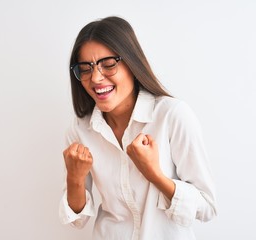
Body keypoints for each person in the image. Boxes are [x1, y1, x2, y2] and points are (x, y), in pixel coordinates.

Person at [59, 16, 217, 240]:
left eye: (108, 64)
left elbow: (207, 206)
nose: (95, 77)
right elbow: (77, 220)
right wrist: (74, 178)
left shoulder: (172, 115)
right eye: (85, 68)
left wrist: (154, 174)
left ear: (132, 64)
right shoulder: (80, 130)